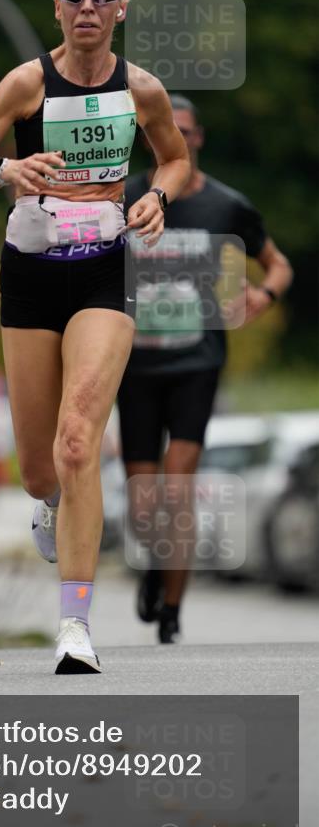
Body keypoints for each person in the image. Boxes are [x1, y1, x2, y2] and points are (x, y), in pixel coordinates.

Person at [0, 0, 190, 673]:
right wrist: (5, 170)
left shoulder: (141, 89)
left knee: (78, 441)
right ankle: (49, 502)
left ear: (120, 8)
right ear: (56, 7)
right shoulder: (26, 83)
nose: (87, 5)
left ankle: (74, 627)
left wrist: (157, 195)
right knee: (39, 470)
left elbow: (174, 158)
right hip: (30, 275)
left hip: (104, 272)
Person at [119, 94, 293, 643]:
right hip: (134, 366)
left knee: (177, 490)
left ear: (198, 139)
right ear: (150, 138)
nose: (178, 139)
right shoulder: (122, 197)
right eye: (166, 130)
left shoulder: (226, 205)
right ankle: (156, 563)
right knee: (143, 507)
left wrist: (263, 294)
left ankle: (172, 610)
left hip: (196, 362)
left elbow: (279, 265)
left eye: (187, 131)